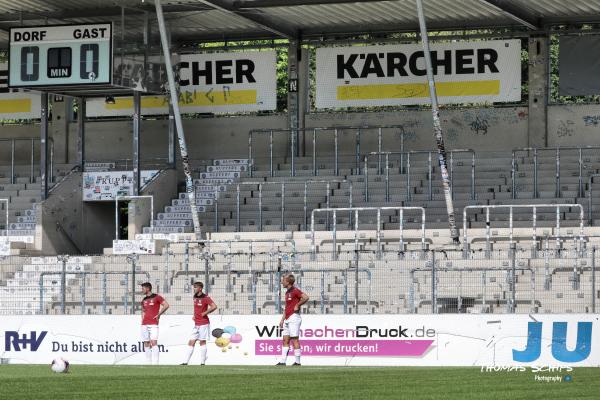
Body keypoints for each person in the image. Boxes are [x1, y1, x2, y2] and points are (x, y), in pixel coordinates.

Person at [182, 282, 217, 365]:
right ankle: (185, 362)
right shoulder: (194, 297)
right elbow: (196, 308)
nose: (193, 289)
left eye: (195, 287)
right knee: (191, 342)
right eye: (193, 287)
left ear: (200, 288)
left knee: (202, 342)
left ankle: (202, 362)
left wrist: (205, 313)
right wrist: (194, 315)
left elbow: (214, 306)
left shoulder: (205, 297)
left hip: (204, 323)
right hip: (196, 323)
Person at [277, 274, 309, 366]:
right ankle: (283, 361)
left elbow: (306, 297)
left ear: (288, 282)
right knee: (285, 340)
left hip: (294, 317)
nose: (281, 282)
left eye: (283, 280)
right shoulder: (287, 293)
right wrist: (282, 319)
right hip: (287, 318)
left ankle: (297, 362)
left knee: (295, 339)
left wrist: (297, 305)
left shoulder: (295, 291)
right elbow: (287, 307)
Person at [140, 282, 169, 365]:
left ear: (148, 288)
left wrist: (159, 314)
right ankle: (148, 363)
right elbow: (143, 311)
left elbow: (166, 305)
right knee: (146, 343)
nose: (142, 290)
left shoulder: (157, 297)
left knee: (154, 342)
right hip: (144, 324)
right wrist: (142, 320)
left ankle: (156, 363)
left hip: (153, 324)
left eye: (143, 288)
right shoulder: (144, 300)